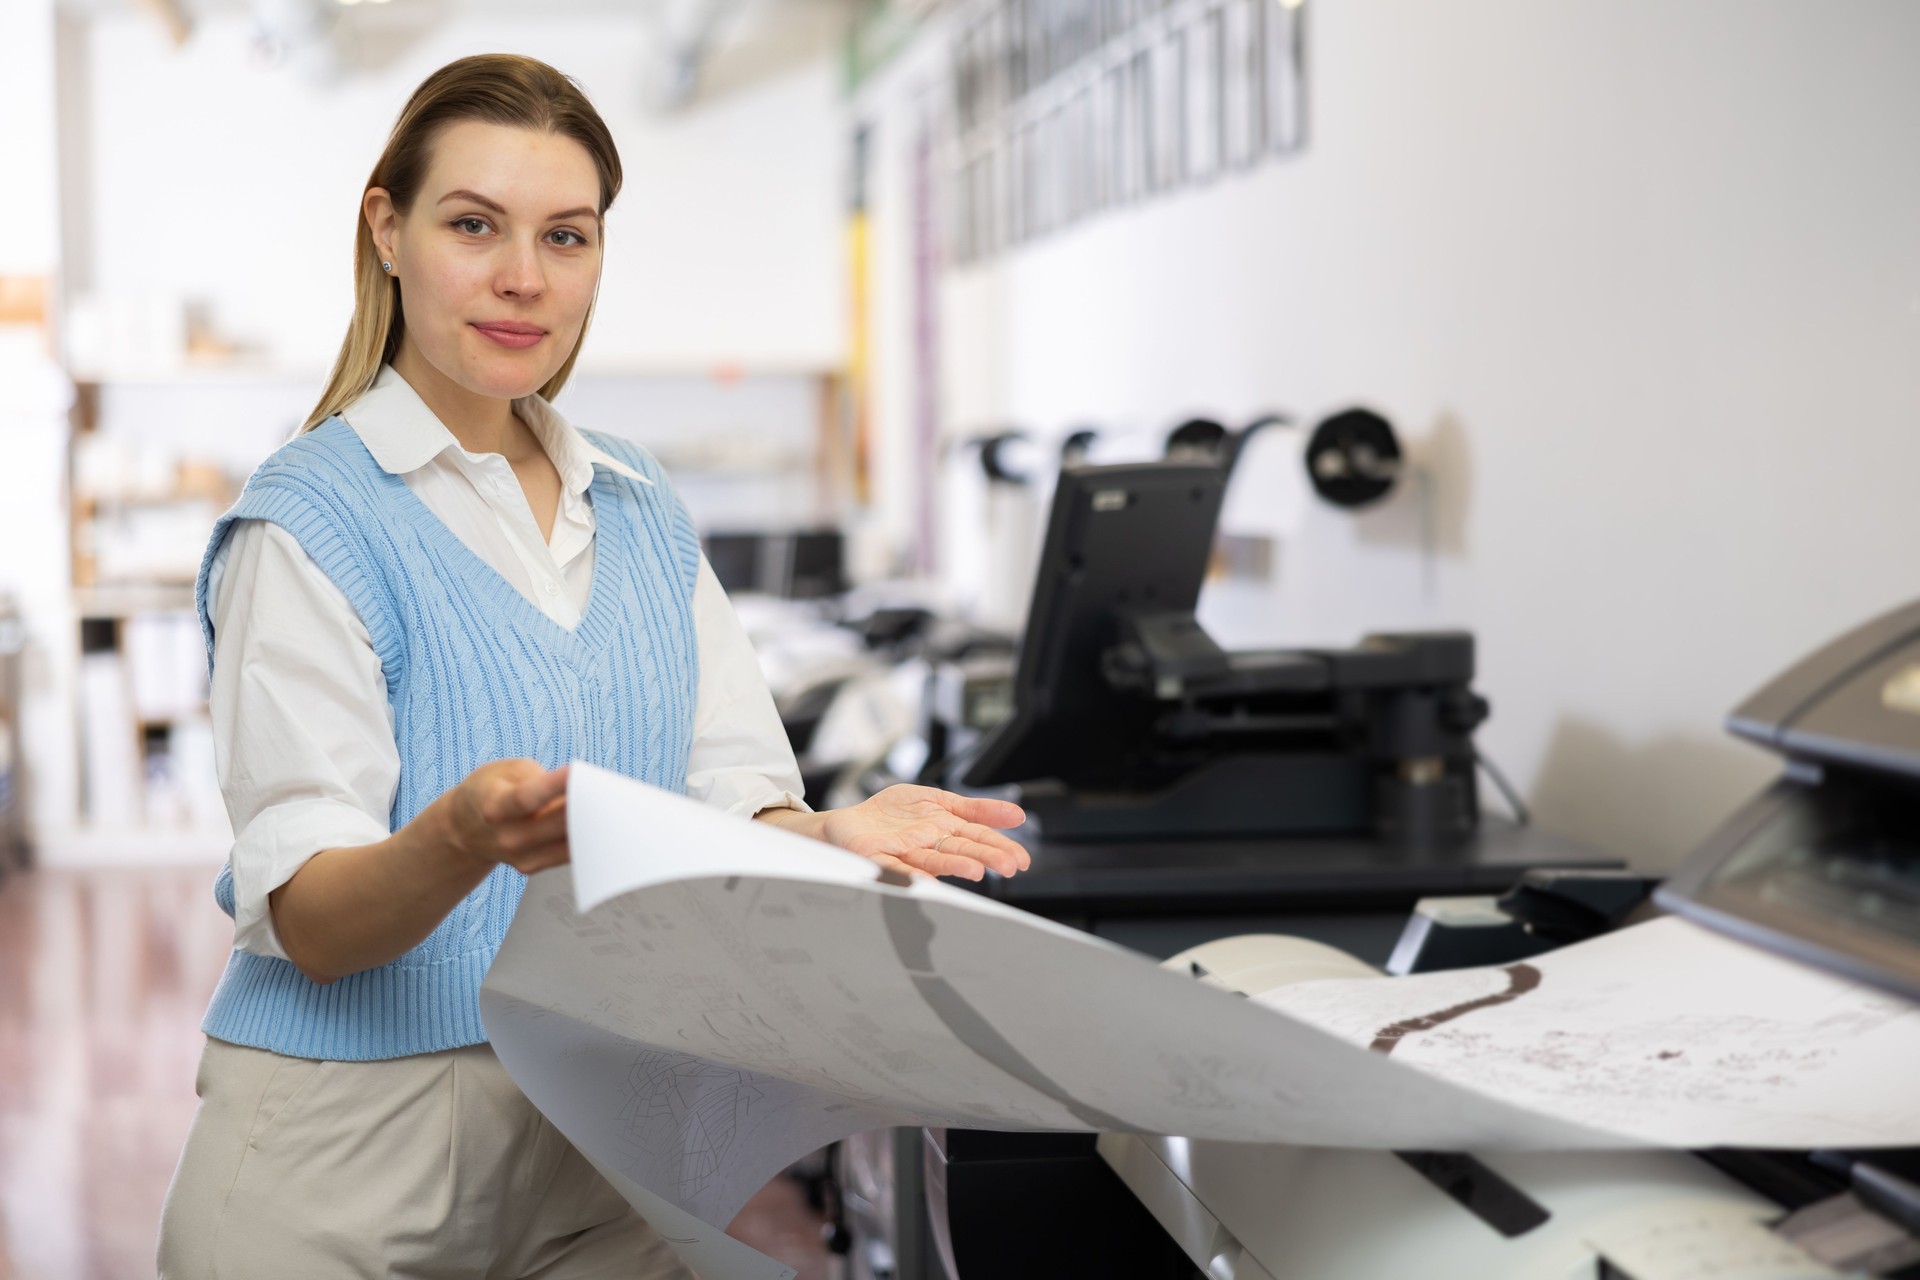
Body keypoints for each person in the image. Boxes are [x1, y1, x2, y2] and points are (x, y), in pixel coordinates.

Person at [155, 52, 1032, 1279]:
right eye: (475, 225)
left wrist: (828, 832)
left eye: (566, 236)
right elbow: (311, 917)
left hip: (599, 1120)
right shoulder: (307, 527)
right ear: (389, 229)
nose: (525, 277)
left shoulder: (637, 502)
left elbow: (732, 790)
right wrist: (458, 836)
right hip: (347, 1154)